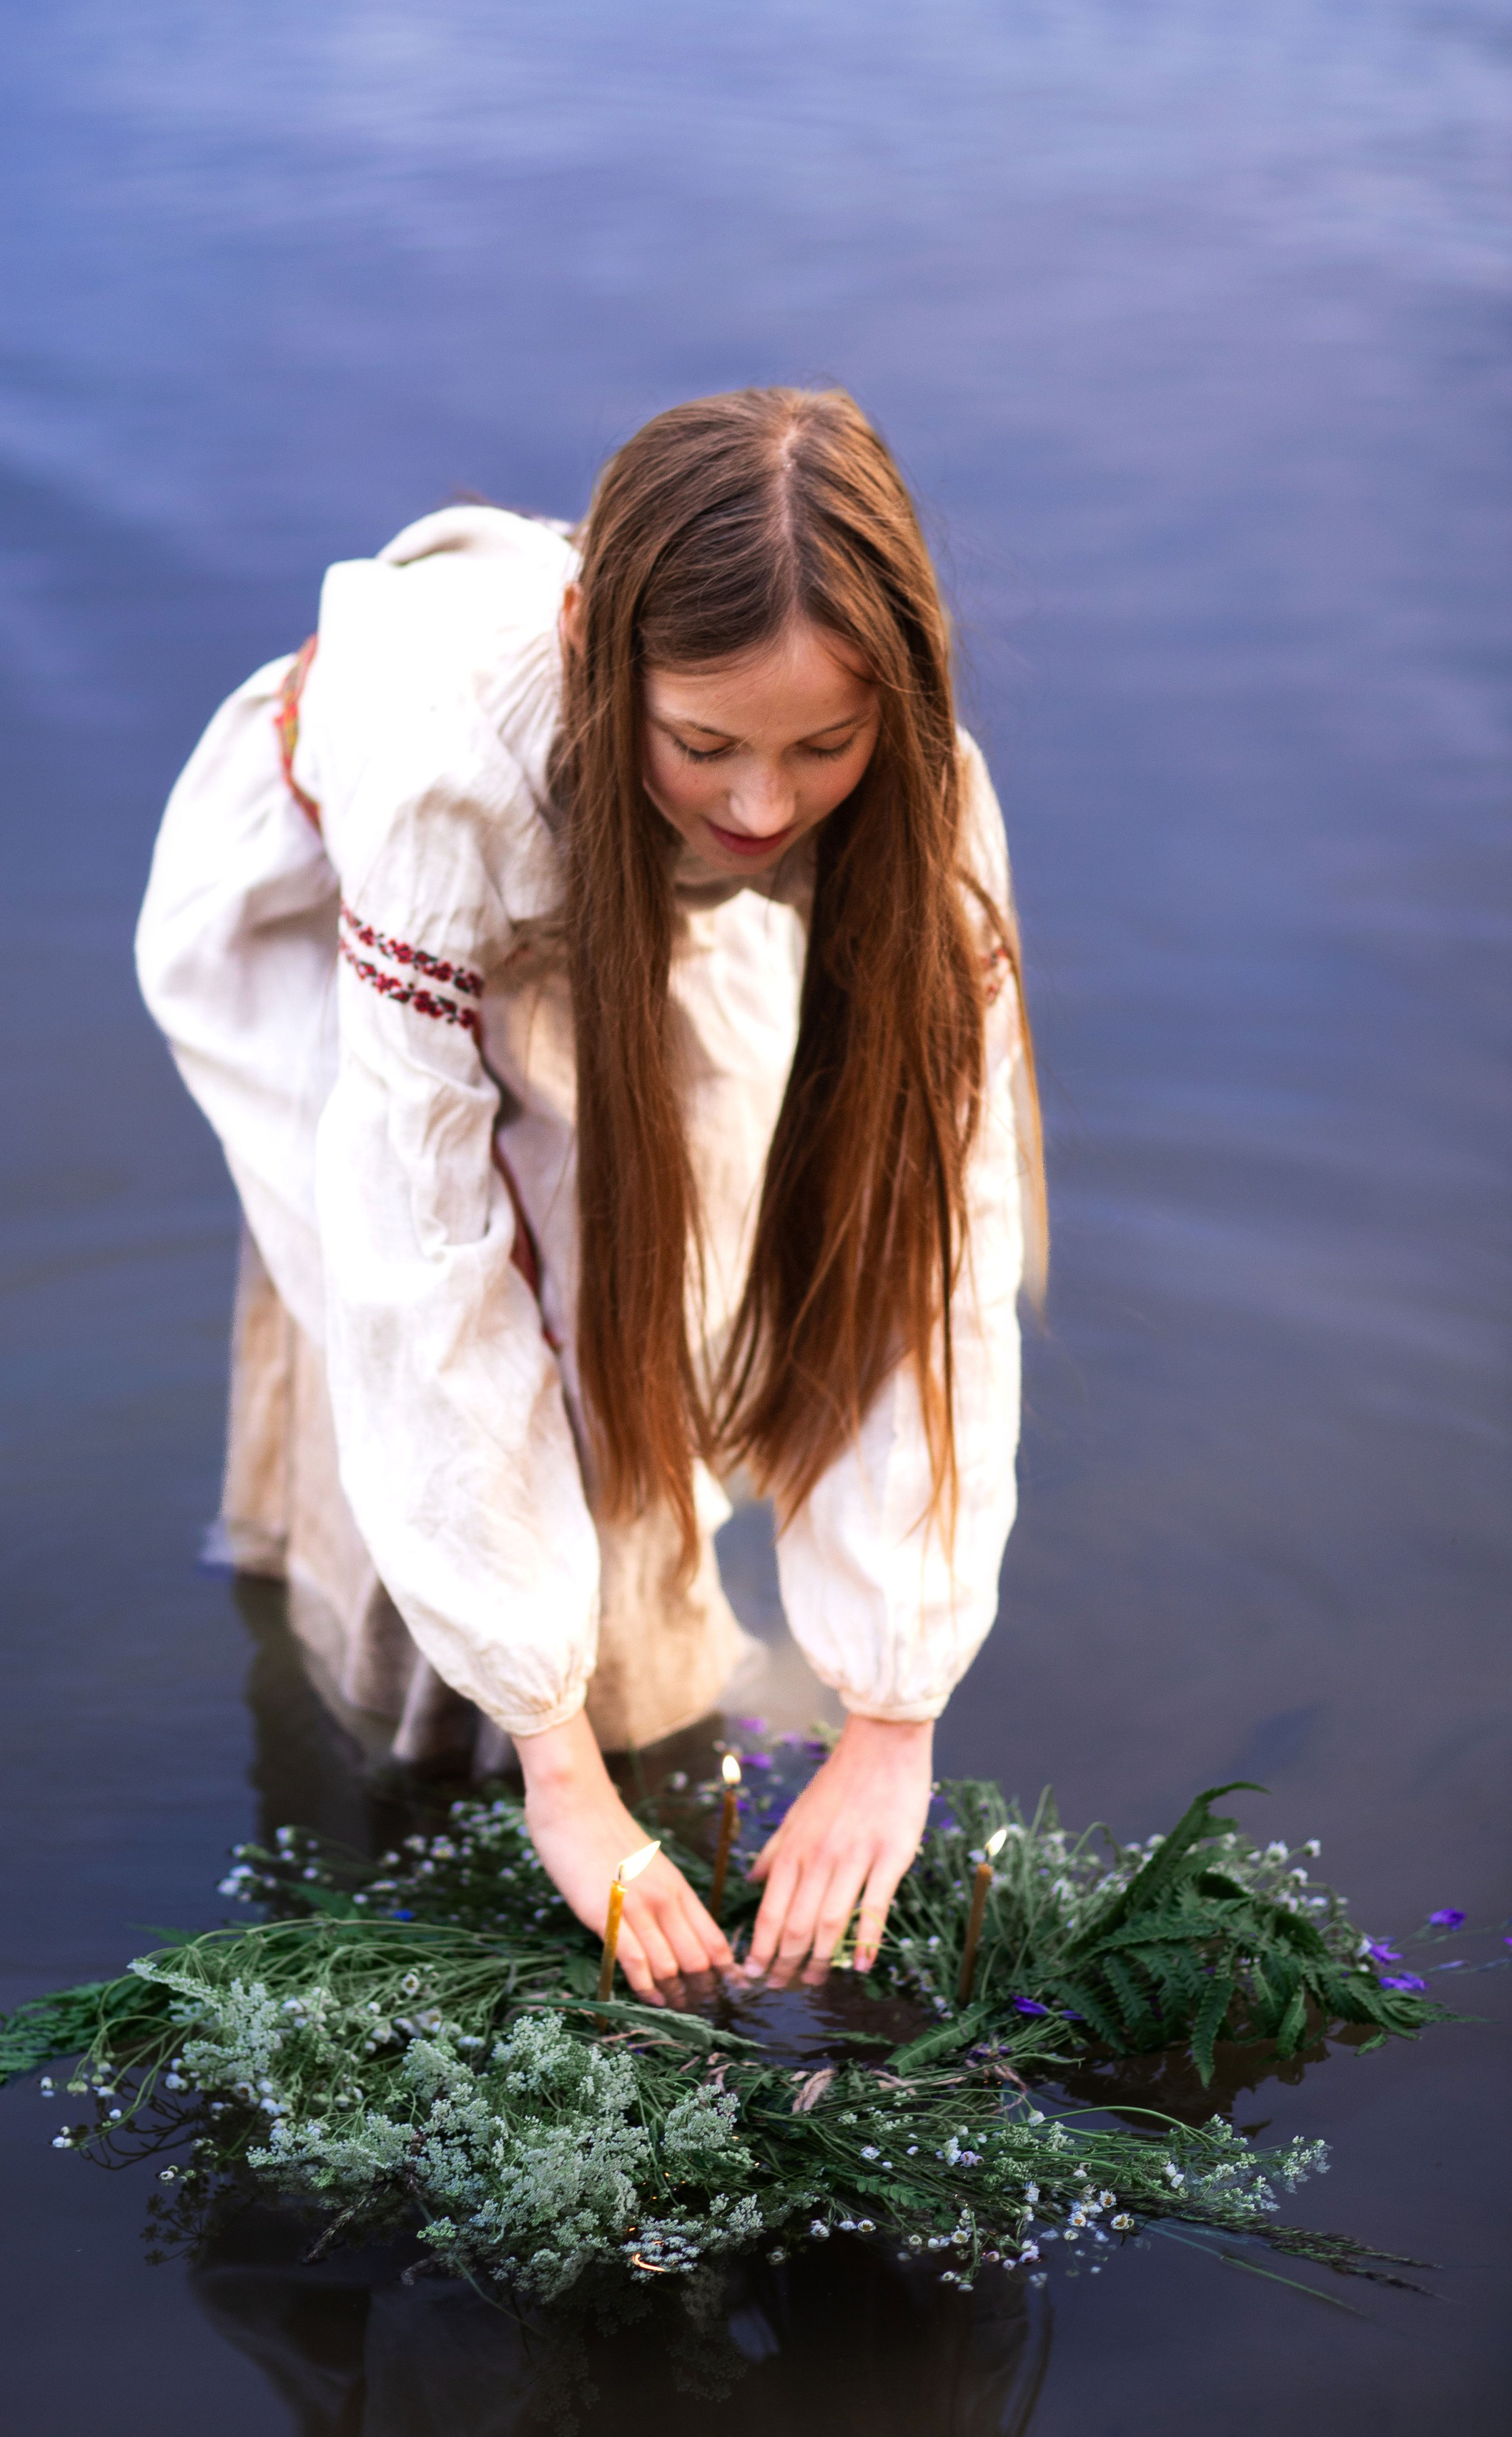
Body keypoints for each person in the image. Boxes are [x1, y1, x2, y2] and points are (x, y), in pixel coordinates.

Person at [137, 387, 1040, 2004]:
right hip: (350, 875)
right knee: (468, 1313)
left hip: (640, 894)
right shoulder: (451, 776)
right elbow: (426, 1265)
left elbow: (934, 1242)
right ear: (591, 645)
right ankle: (444, 1732)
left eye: (821, 747)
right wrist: (563, 1777)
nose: (764, 808)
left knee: (682, 1288)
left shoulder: (914, 798)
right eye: (707, 741)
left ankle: (642, 1694)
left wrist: (893, 1719)